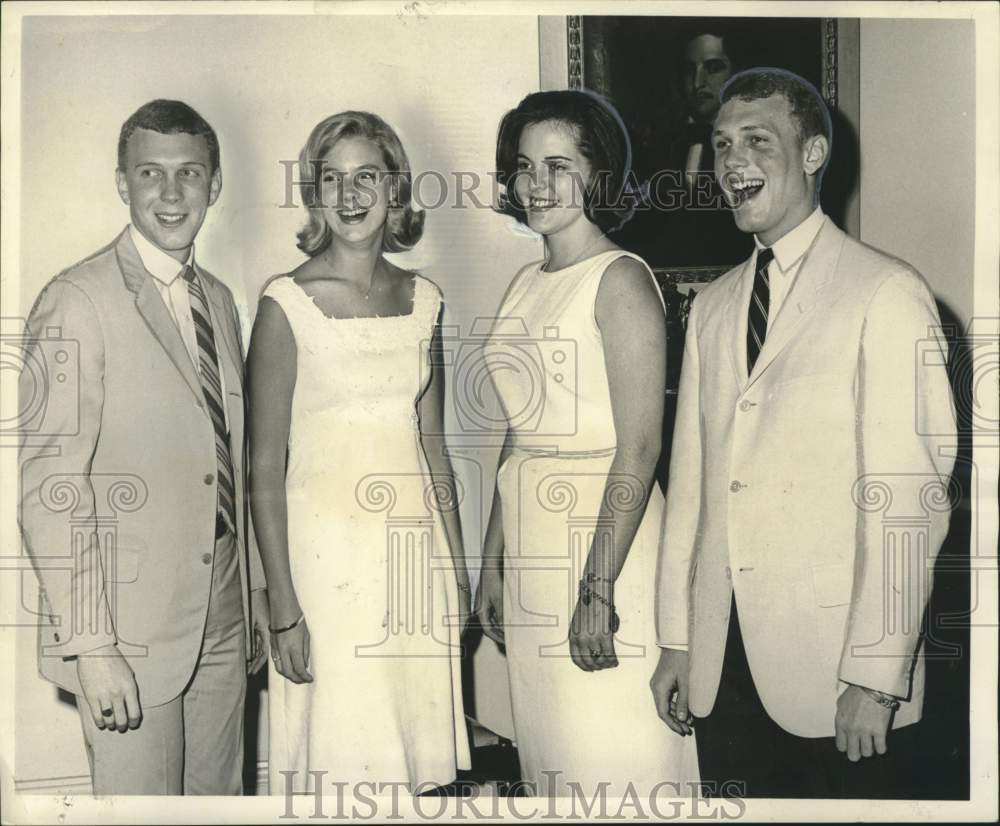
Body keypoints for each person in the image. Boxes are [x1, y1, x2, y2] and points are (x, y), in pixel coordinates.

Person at [650, 68, 956, 798]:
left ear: (814, 153)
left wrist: (876, 680)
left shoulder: (886, 292)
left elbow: (910, 502)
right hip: (722, 672)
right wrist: (674, 641)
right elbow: (690, 490)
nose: (730, 162)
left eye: (757, 140)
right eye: (721, 145)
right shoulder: (715, 307)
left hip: (835, 678)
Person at [18, 99, 268, 795]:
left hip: (222, 615)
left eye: (190, 173)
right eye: (150, 173)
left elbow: (231, 461)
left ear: (214, 186)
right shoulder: (76, 300)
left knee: (217, 806)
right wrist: (93, 646)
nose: (170, 192)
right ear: (122, 183)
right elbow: (50, 489)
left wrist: (246, 594)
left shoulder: (219, 301)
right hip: (127, 630)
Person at [476, 90, 699, 797]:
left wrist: (597, 588)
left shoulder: (621, 279)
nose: (536, 184)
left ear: (597, 174)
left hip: (606, 544)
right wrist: (492, 563)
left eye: (559, 165)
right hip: (534, 550)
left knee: (614, 758)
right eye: (523, 166)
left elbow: (639, 446)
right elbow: (519, 431)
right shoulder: (523, 281)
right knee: (553, 762)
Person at [248, 111, 471, 794]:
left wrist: (455, 571)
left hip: (410, 560)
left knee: (408, 763)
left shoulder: (424, 300)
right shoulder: (285, 303)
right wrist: (281, 603)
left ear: (395, 188)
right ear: (316, 193)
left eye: (366, 176)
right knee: (339, 762)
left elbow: (433, 447)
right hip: (325, 567)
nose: (350, 195)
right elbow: (261, 468)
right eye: (332, 179)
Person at [617, 22, 752, 268]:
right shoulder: (655, 150)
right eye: (690, 70)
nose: (698, 82)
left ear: (738, 73)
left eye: (713, 68)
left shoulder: (754, 152)